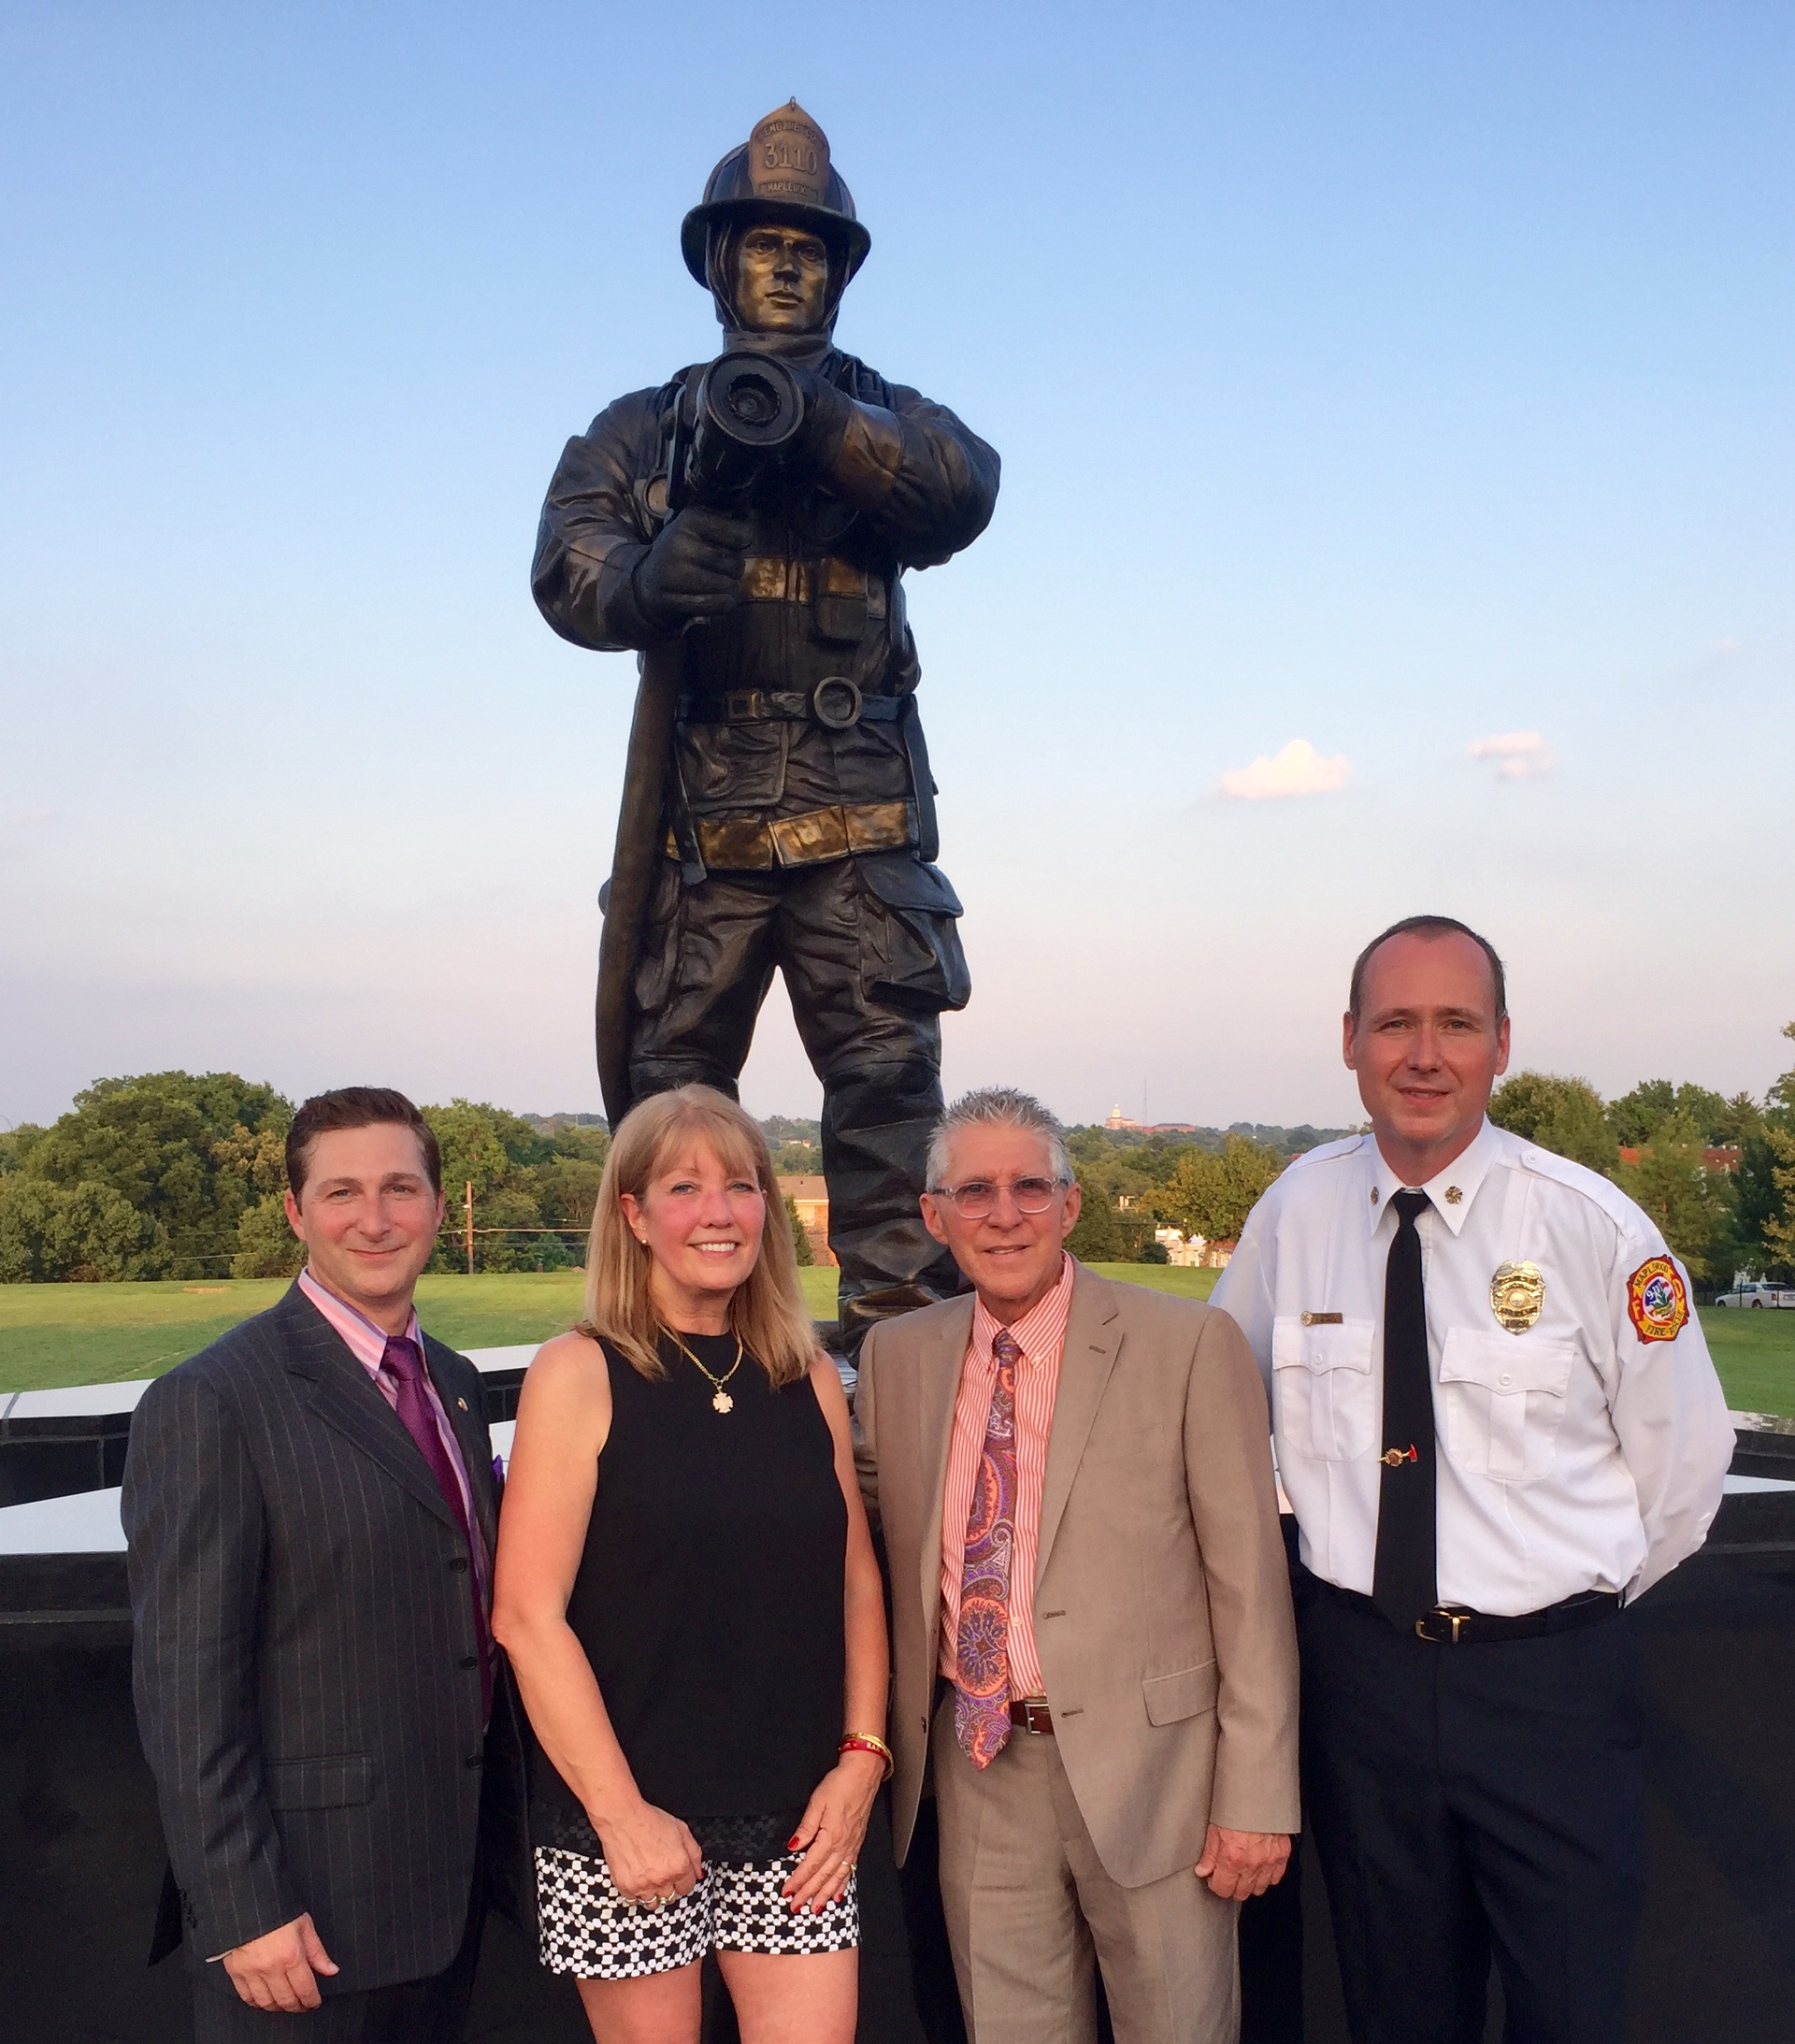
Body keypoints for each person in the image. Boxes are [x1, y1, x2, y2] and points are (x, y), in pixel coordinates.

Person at [1213, 914, 1736, 2044]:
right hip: (1360, 1684)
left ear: (1501, 1042)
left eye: (1455, 1023)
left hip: (1551, 1689)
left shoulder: (1594, 1227)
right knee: (1395, 2009)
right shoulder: (1295, 1211)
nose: (1423, 1054)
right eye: (1394, 1022)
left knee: (1571, 2008)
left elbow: (1685, 1468)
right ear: (1349, 1039)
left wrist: (1559, 1615)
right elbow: (1217, 1413)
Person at [531, 99, 999, 1359]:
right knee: (674, 1122)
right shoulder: (641, 430)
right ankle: (677, 1368)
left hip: (864, 830)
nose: (788, 267)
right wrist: (646, 579)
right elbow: (567, 563)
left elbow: (961, 491)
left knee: (891, 1117)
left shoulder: (889, 414)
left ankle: (905, 1378)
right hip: (703, 838)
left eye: (809, 248)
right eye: (763, 246)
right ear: (718, 263)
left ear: (838, 273)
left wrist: (821, 424)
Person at [855, 1087, 1300, 2044]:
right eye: (974, 1192)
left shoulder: (1188, 1345)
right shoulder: (897, 1358)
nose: (1004, 1214)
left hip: (1160, 1779)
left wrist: (1257, 1795)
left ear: (1072, 1203)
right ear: (934, 1215)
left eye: (1030, 1187)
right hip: (978, 1770)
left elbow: (1252, 1592)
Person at [491, 1084, 890, 2044]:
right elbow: (526, 1616)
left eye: (741, 1186)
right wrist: (620, 1814)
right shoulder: (578, 1370)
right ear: (633, 1214)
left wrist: (862, 1758)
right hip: (622, 1819)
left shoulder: (806, 1374)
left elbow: (855, 1583)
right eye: (684, 1187)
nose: (720, 1211)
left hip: (797, 1816)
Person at [122, 1087, 521, 2043]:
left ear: (438, 1204)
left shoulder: (456, 1382)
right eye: (342, 1192)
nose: (374, 1219)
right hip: (300, 1918)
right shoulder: (213, 1400)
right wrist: (243, 1906)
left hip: (446, 1894)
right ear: (296, 1212)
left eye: (400, 1188)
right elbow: (185, 1687)